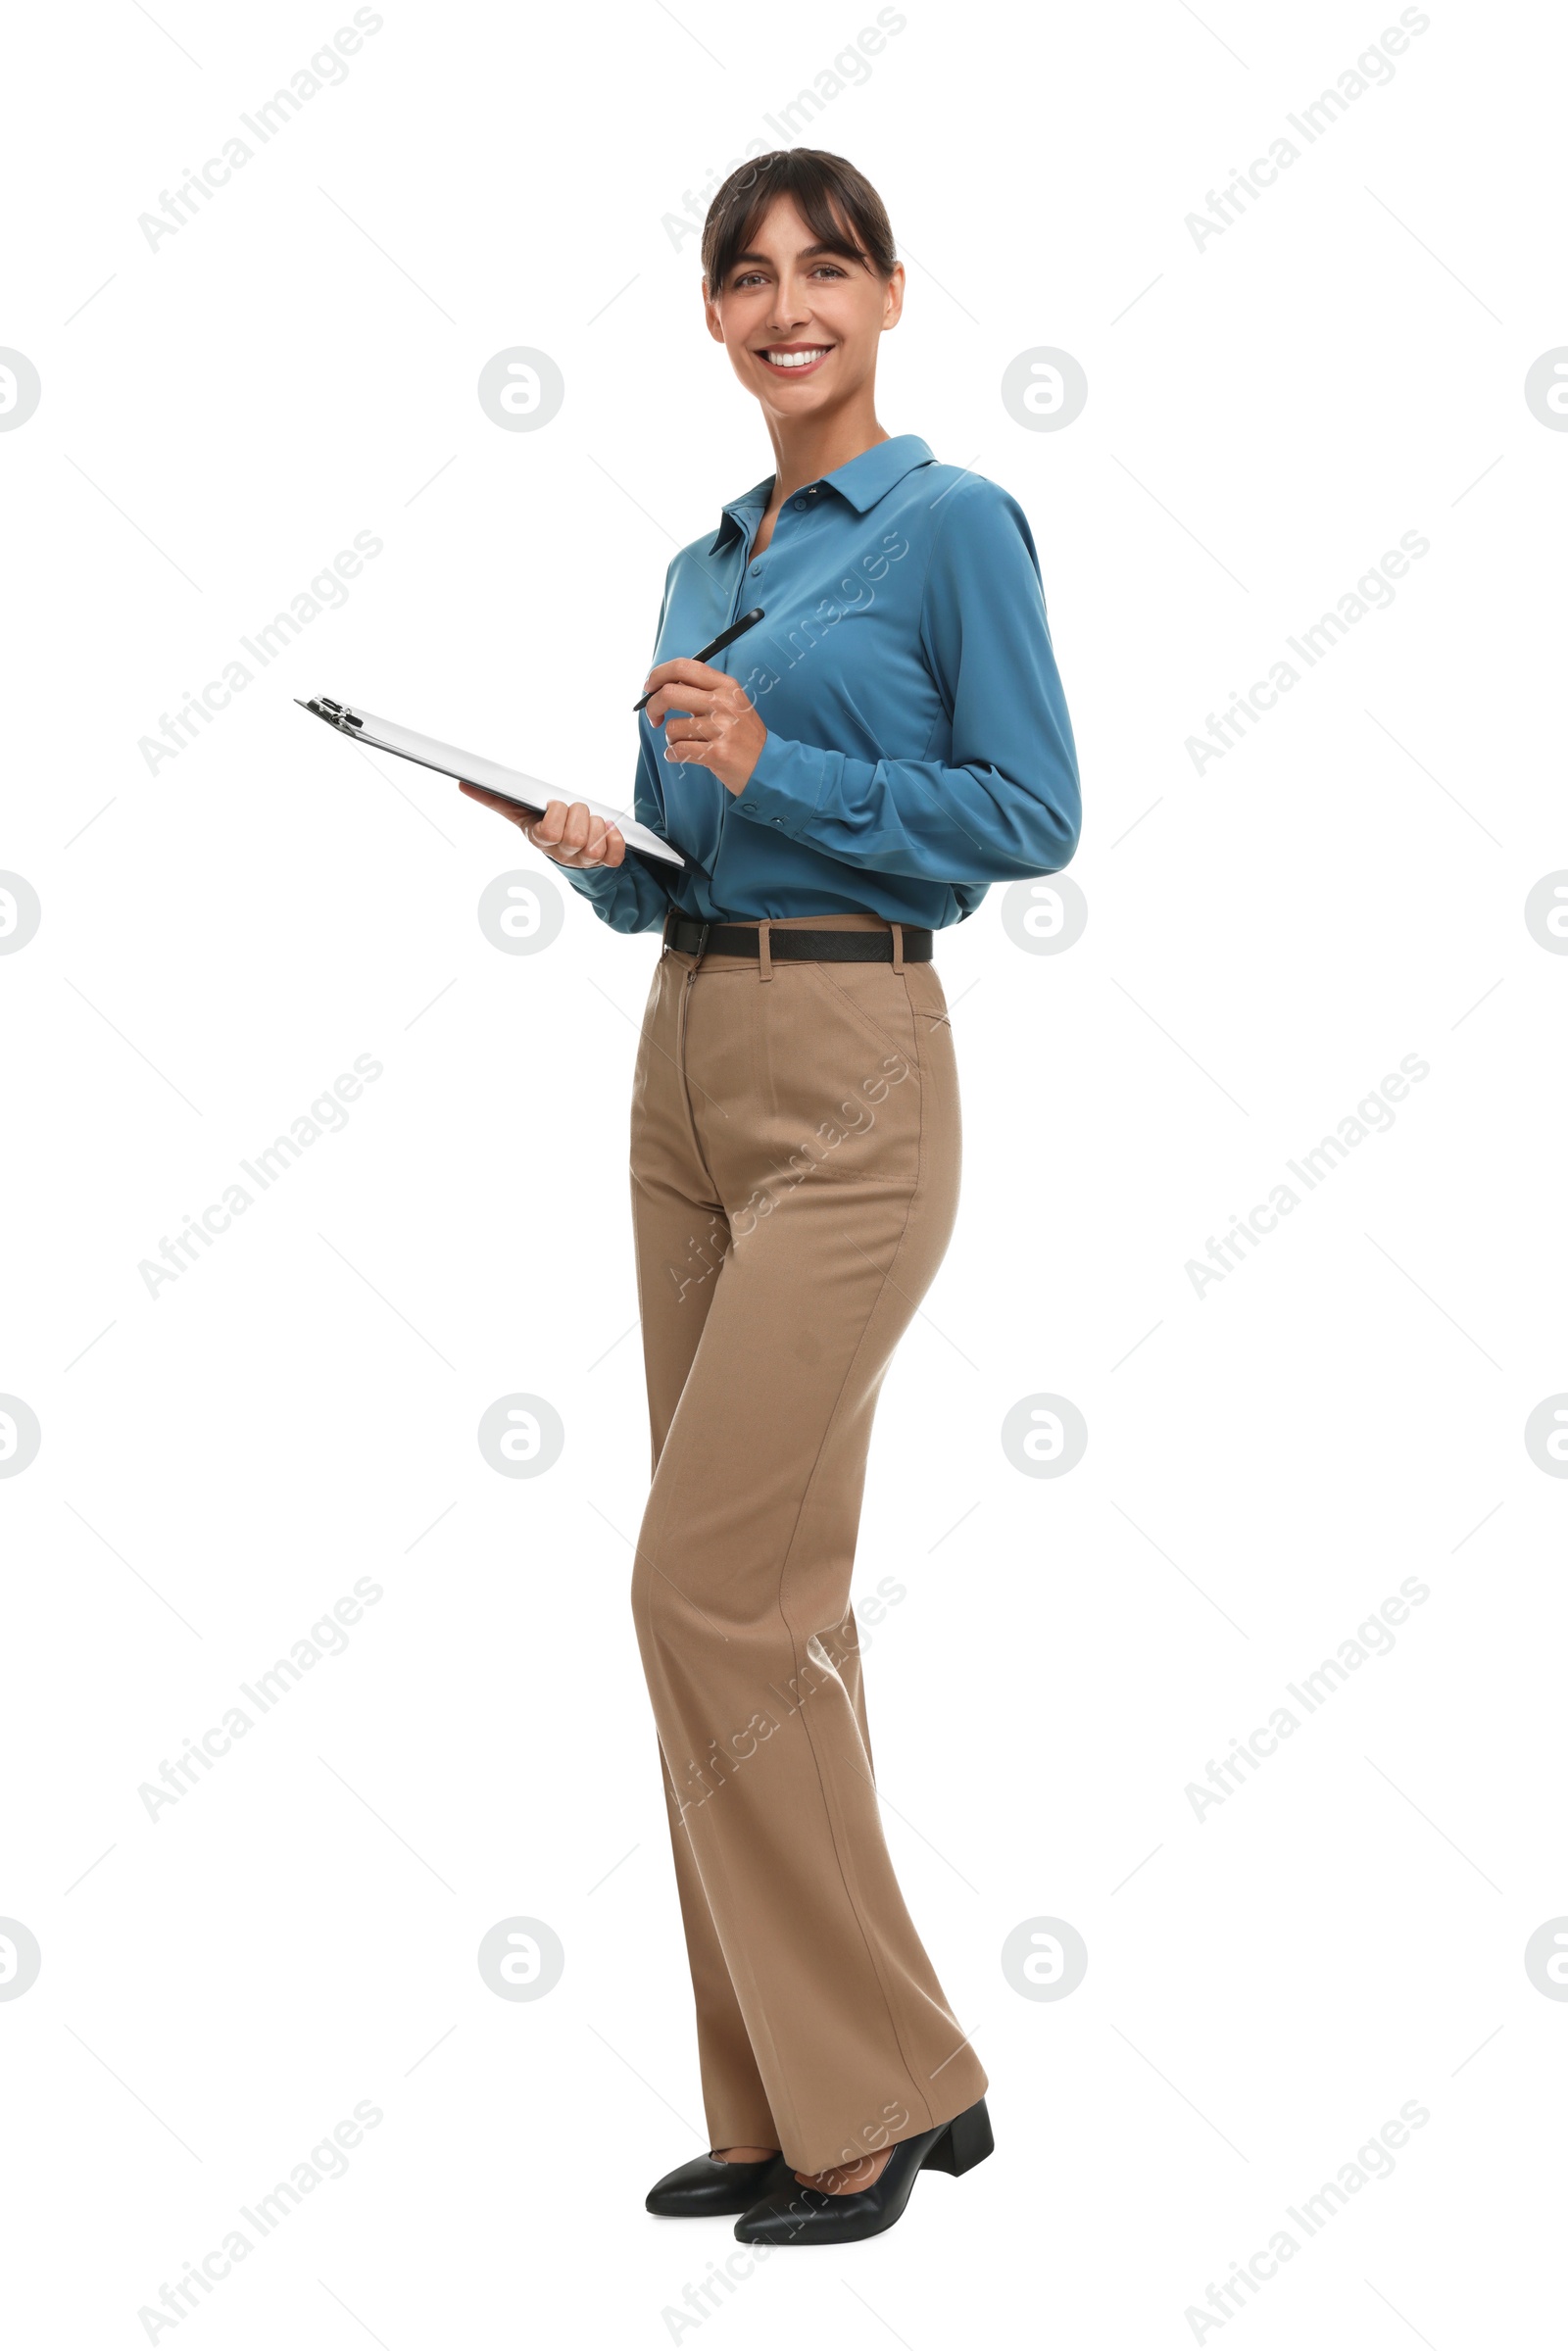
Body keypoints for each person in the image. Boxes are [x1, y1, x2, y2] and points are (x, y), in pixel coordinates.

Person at [462, 146, 1080, 2247]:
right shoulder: (693, 560)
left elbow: (1027, 814)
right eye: (744, 276)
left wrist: (772, 772)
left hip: (853, 1075)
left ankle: (879, 2090)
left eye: (825, 267)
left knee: (696, 1587)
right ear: (710, 319)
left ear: (891, 294)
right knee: (762, 1600)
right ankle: (793, 2083)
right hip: (684, 1062)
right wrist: (611, 851)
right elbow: (700, 849)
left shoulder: (948, 527)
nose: (784, 302)